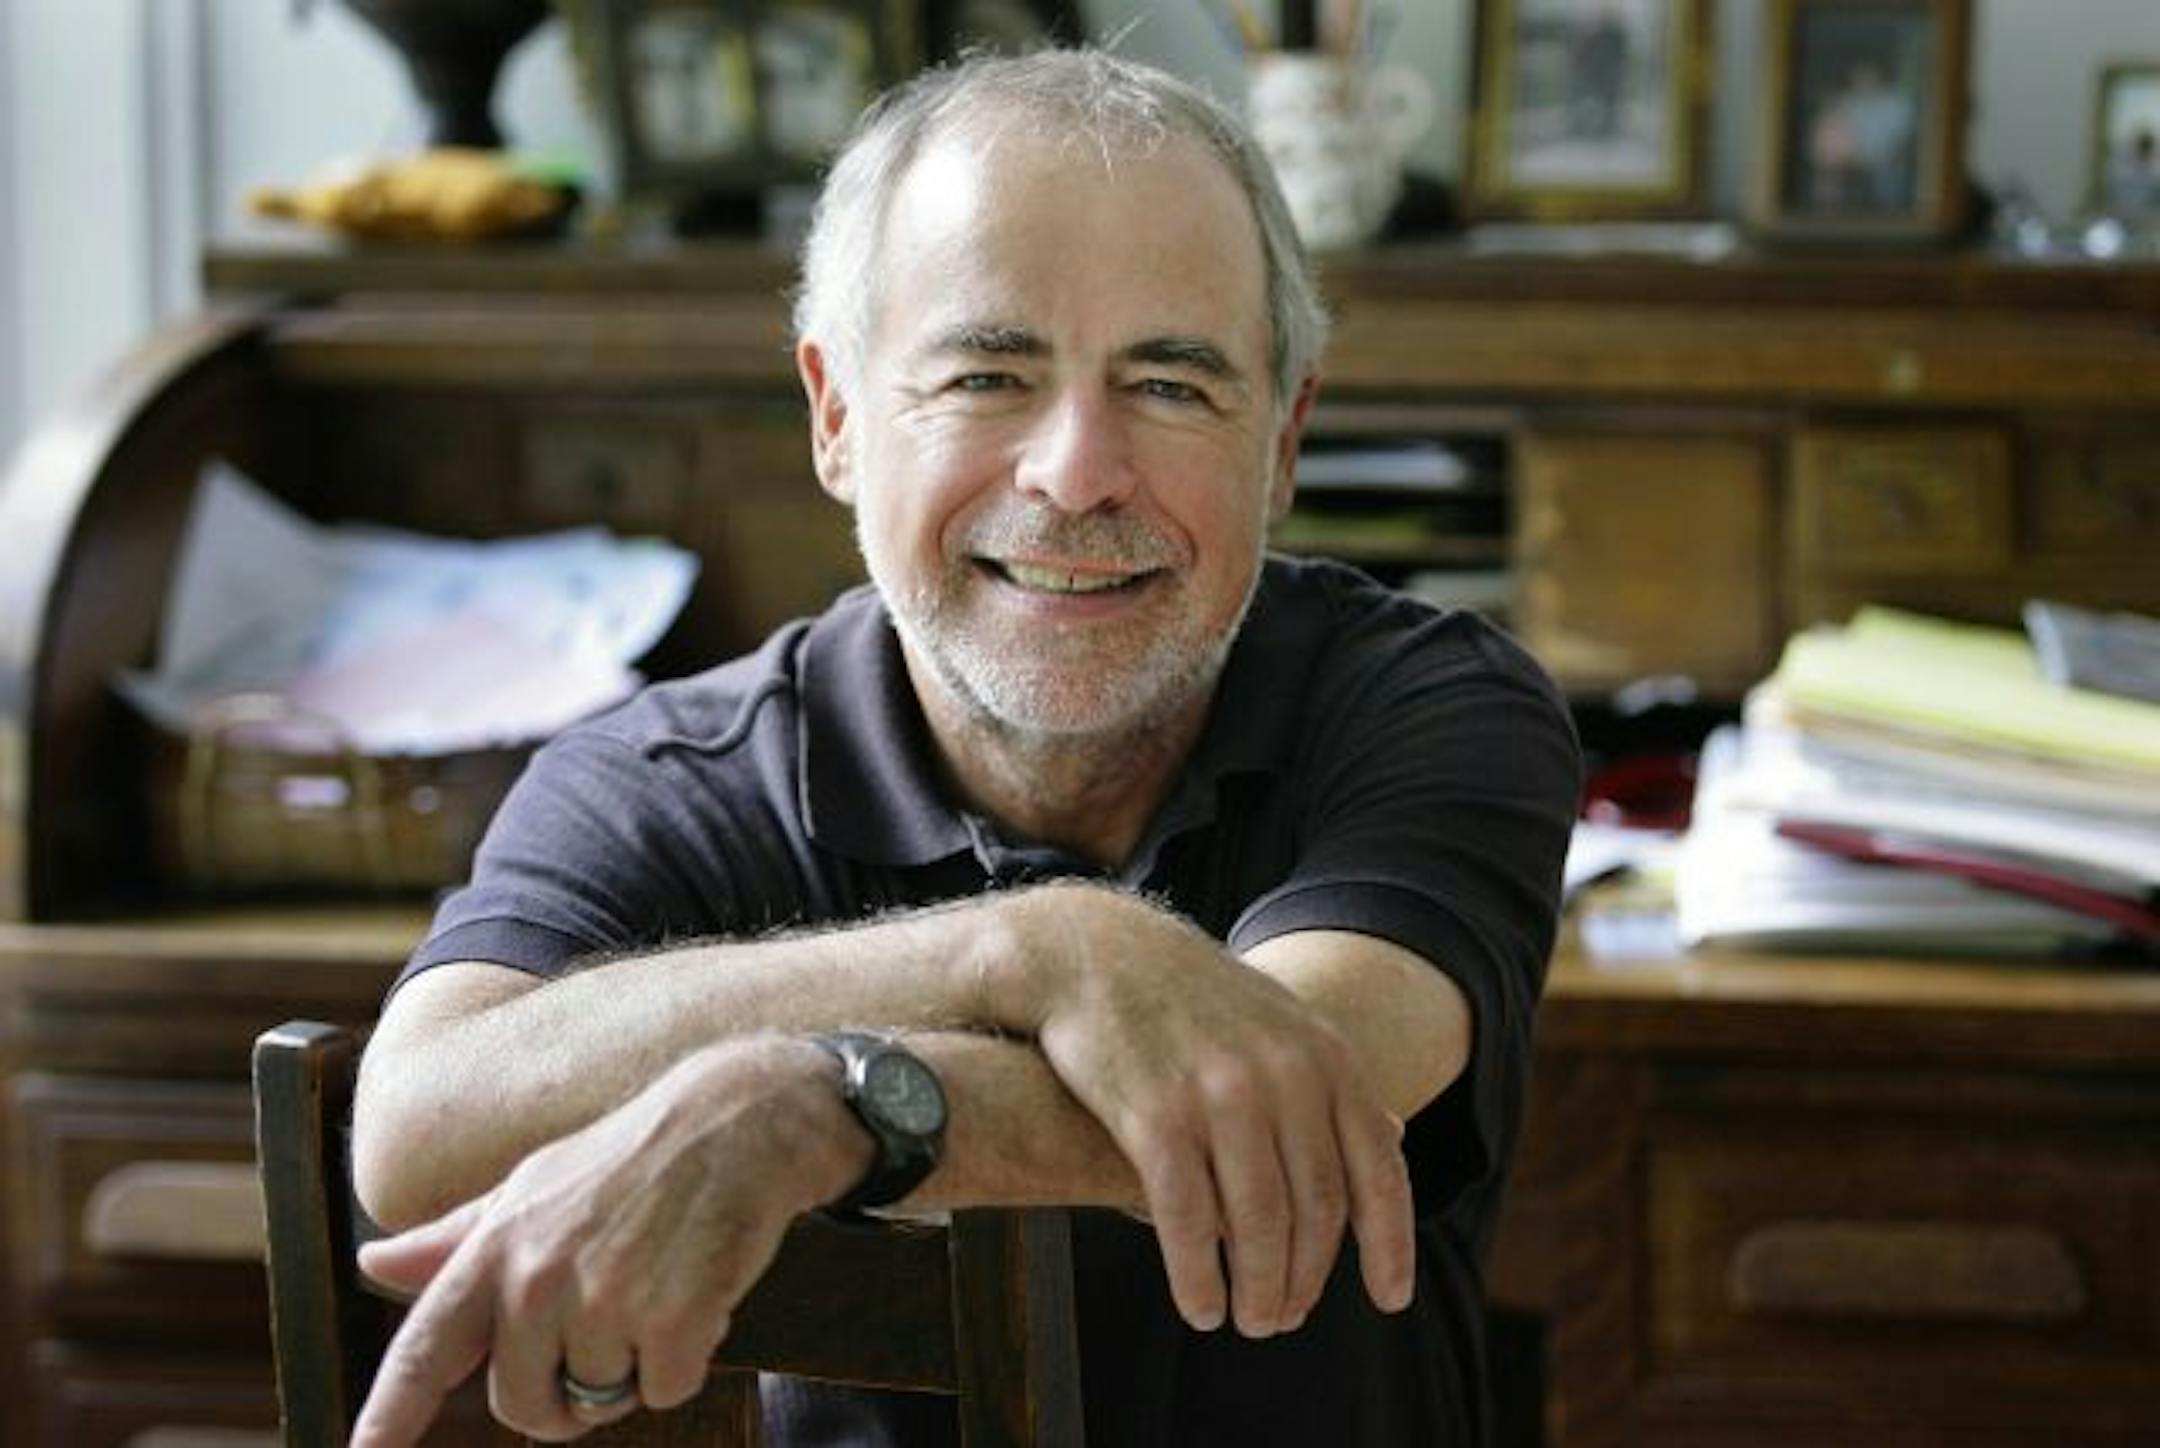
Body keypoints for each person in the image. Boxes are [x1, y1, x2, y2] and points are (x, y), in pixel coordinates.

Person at [347, 47, 1579, 1448]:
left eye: (1172, 387)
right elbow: (416, 1123)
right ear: (836, 418)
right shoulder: (667, 773)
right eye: (988, 375)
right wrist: (1025, 952)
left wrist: (814, 1099)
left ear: (1282, 444)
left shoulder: (1434, 705)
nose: (1075, 470)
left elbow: (1298, 1076)